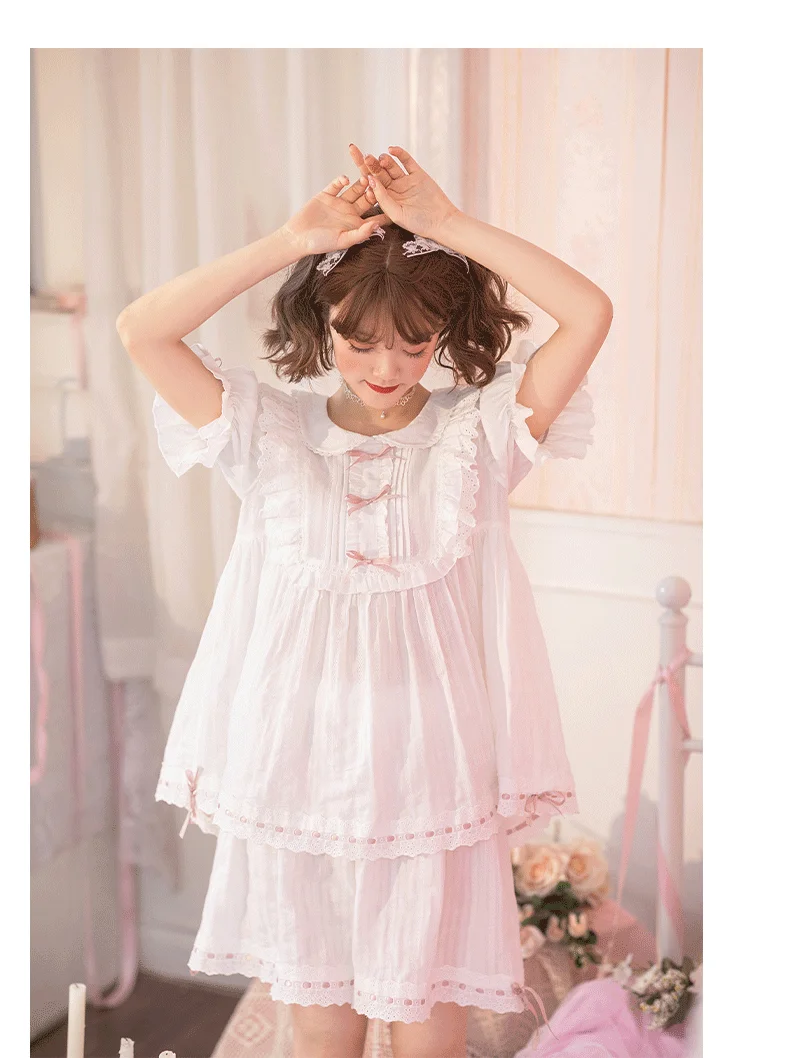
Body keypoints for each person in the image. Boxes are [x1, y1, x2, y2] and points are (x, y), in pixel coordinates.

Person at [117, 142, 612, 1058]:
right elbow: (143, 330)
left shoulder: (480, 436)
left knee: (430, 1033)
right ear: (323, 324)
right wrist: (290, 241)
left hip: (432, 772)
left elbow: (589, 313)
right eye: (359, 339)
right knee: (320, 1032)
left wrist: (447, 225)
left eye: (414, 344)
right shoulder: (264, 431)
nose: (386, 364)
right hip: (297, 766)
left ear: (444, 335)